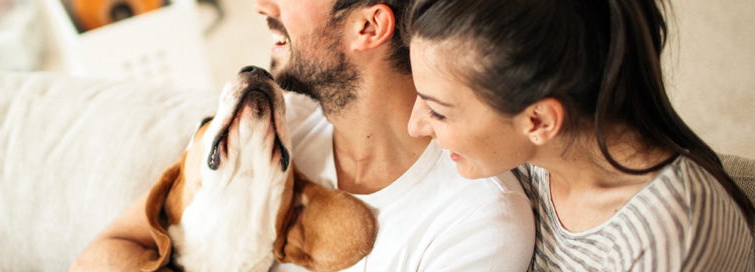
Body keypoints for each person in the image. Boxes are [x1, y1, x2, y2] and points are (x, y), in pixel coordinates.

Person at [69, 0, 535, 271]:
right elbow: (101, 254)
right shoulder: (272, 122)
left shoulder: (478, 223)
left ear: (368, 26)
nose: (262, 6)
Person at [404, 0, 755, 270]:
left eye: (439, 110)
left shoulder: (669, 237)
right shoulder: (529, 161)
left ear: (539, 121)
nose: (415, 124)